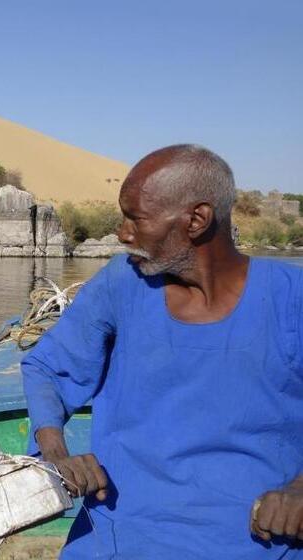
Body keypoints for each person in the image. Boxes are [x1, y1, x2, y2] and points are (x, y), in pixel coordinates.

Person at [22, 144, 302, 559]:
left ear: (197, 220)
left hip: (255, 542)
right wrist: (57, 456)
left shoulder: (290, 297)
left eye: (136, 218)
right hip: (120, 534)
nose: (122, 233)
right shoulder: (123, 282)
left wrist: (297, 491)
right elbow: (47, 366)